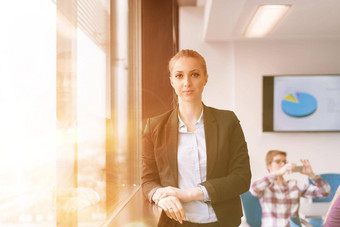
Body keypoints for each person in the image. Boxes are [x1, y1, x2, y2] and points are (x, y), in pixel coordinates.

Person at [142, 49, 251, 227]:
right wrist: (159, 196)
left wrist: (188, 194)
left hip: (222, 222)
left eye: (194, 74)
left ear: (205, 78)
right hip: (176, 223)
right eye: (179, 76)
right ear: (171, 81)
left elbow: (242, 178)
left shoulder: (227, 122)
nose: (187, 83)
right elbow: (147, 179)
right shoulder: (155, 127)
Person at [250, 150, 332, 227]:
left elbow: (326, 192)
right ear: (269, 165)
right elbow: (253, 188)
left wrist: (312, 175)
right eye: (278, 162)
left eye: (284, 162)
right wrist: (278, 173)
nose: (283, 164)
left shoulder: (294, 185)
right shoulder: (264, 185)